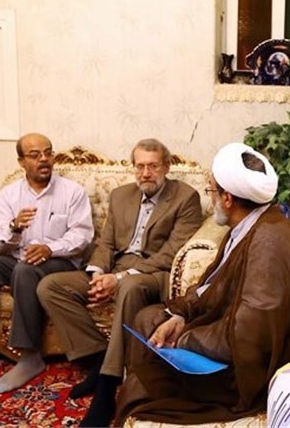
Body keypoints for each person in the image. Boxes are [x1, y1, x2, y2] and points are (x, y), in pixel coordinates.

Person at [114, 142, 290, 425]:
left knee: (141, 389)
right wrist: (180, 315)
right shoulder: (249, 226)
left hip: (247, 376)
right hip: (234, 339)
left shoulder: (269, 242)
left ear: (228, 199)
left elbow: (249, 336)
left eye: (211, 192)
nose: (211, 201)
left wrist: (185, 339)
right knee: (147, 319)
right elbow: (214, 286)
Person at [38, 138, 202, 427]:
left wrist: (119, 278)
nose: (145, 173)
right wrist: (97, 274)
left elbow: (170, 253)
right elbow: (106, 243)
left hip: (153, 274)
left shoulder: (186, 197)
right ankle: (97, 356)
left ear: (166, 167)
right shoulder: (120, 195)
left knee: (129, 287)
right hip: (115, 269)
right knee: (50, 286)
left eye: (153, 166)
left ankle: (107, 384)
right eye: (140, 166)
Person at [0, 133, 94, 394]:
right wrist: (14, 228)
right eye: (35, 155)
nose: (44, 159)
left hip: (60, 263)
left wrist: (50, 249)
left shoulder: (72, 192)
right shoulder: (9, 195)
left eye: (48, 153)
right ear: (21, 162)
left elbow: (82, 237)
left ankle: (29, 357)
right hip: (18, 258)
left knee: (24, 270)